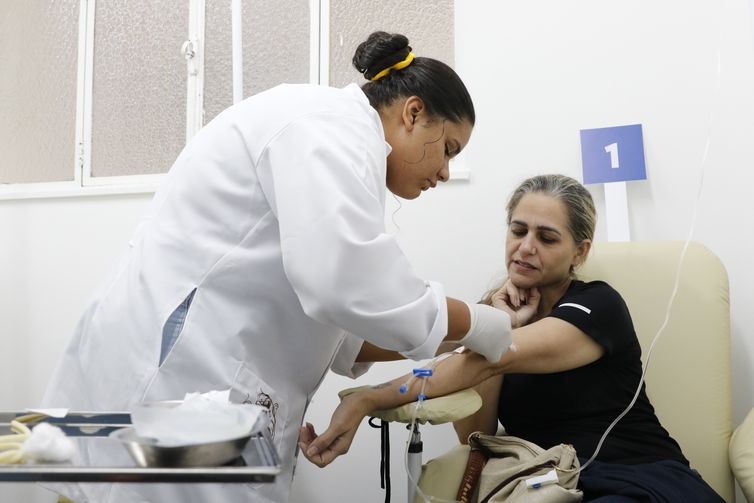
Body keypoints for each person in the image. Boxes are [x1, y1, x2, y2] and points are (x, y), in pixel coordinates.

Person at [40, 31, 514, 503]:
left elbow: (348, 324)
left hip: (206, 373)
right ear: (413, 113)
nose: (447, 171)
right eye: (449, 148)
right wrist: (483, 324)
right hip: (178, 368)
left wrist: (468, 326)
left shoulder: (344, 143)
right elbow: (345, 286)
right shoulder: (329, 128)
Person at [300, 174, 724, 502]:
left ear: (580, 252)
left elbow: (495, 357)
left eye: (546, 237)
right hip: (549, 480)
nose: (525, 247)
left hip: (635, 474)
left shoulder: (599, 305)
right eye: (518, 230)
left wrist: (372, 397)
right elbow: (476, 436)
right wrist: (502, 320)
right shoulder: (497, 317)